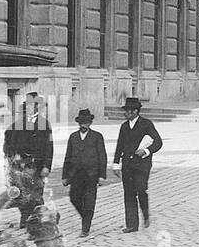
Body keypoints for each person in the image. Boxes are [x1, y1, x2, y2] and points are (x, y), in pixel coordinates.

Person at [0, 92, 54, 229]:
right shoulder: (18, 124)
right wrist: (12, 155)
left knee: (23, 194)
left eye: (33, 105)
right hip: (20, 166)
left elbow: (49, 147)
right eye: (28, 105)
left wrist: (46, 166)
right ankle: (31, 223)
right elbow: (7, 138)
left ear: (38, 107)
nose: (30, 108)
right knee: (27, 194)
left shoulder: (45, 124)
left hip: (36, 165)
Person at [112, 96, 163, 233]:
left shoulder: (146, 124)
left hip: (142, 165)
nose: (125, 113)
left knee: (141, 189)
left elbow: (158, 142)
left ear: (135, 111)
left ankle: (145, 213)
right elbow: (119, 145)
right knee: (128, 194)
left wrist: (146, 151)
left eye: (128, 111)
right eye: (125, 111)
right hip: (127, 164)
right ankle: (132, 225)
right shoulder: (124, 126)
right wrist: (116, 163)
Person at [61, 108, 108, 237]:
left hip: (91, 175)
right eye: (81, 122)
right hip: (76, 175)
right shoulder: (73, 137)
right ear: (78, 123)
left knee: (89, 201)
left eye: (86, 122)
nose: (83, 125)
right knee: (74, 198)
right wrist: (65, 176)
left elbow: (102, 156)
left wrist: (102, 175)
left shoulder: (97, 137)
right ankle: (86, 217)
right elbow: (67, 156)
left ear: (90, 123)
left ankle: (85, 227)